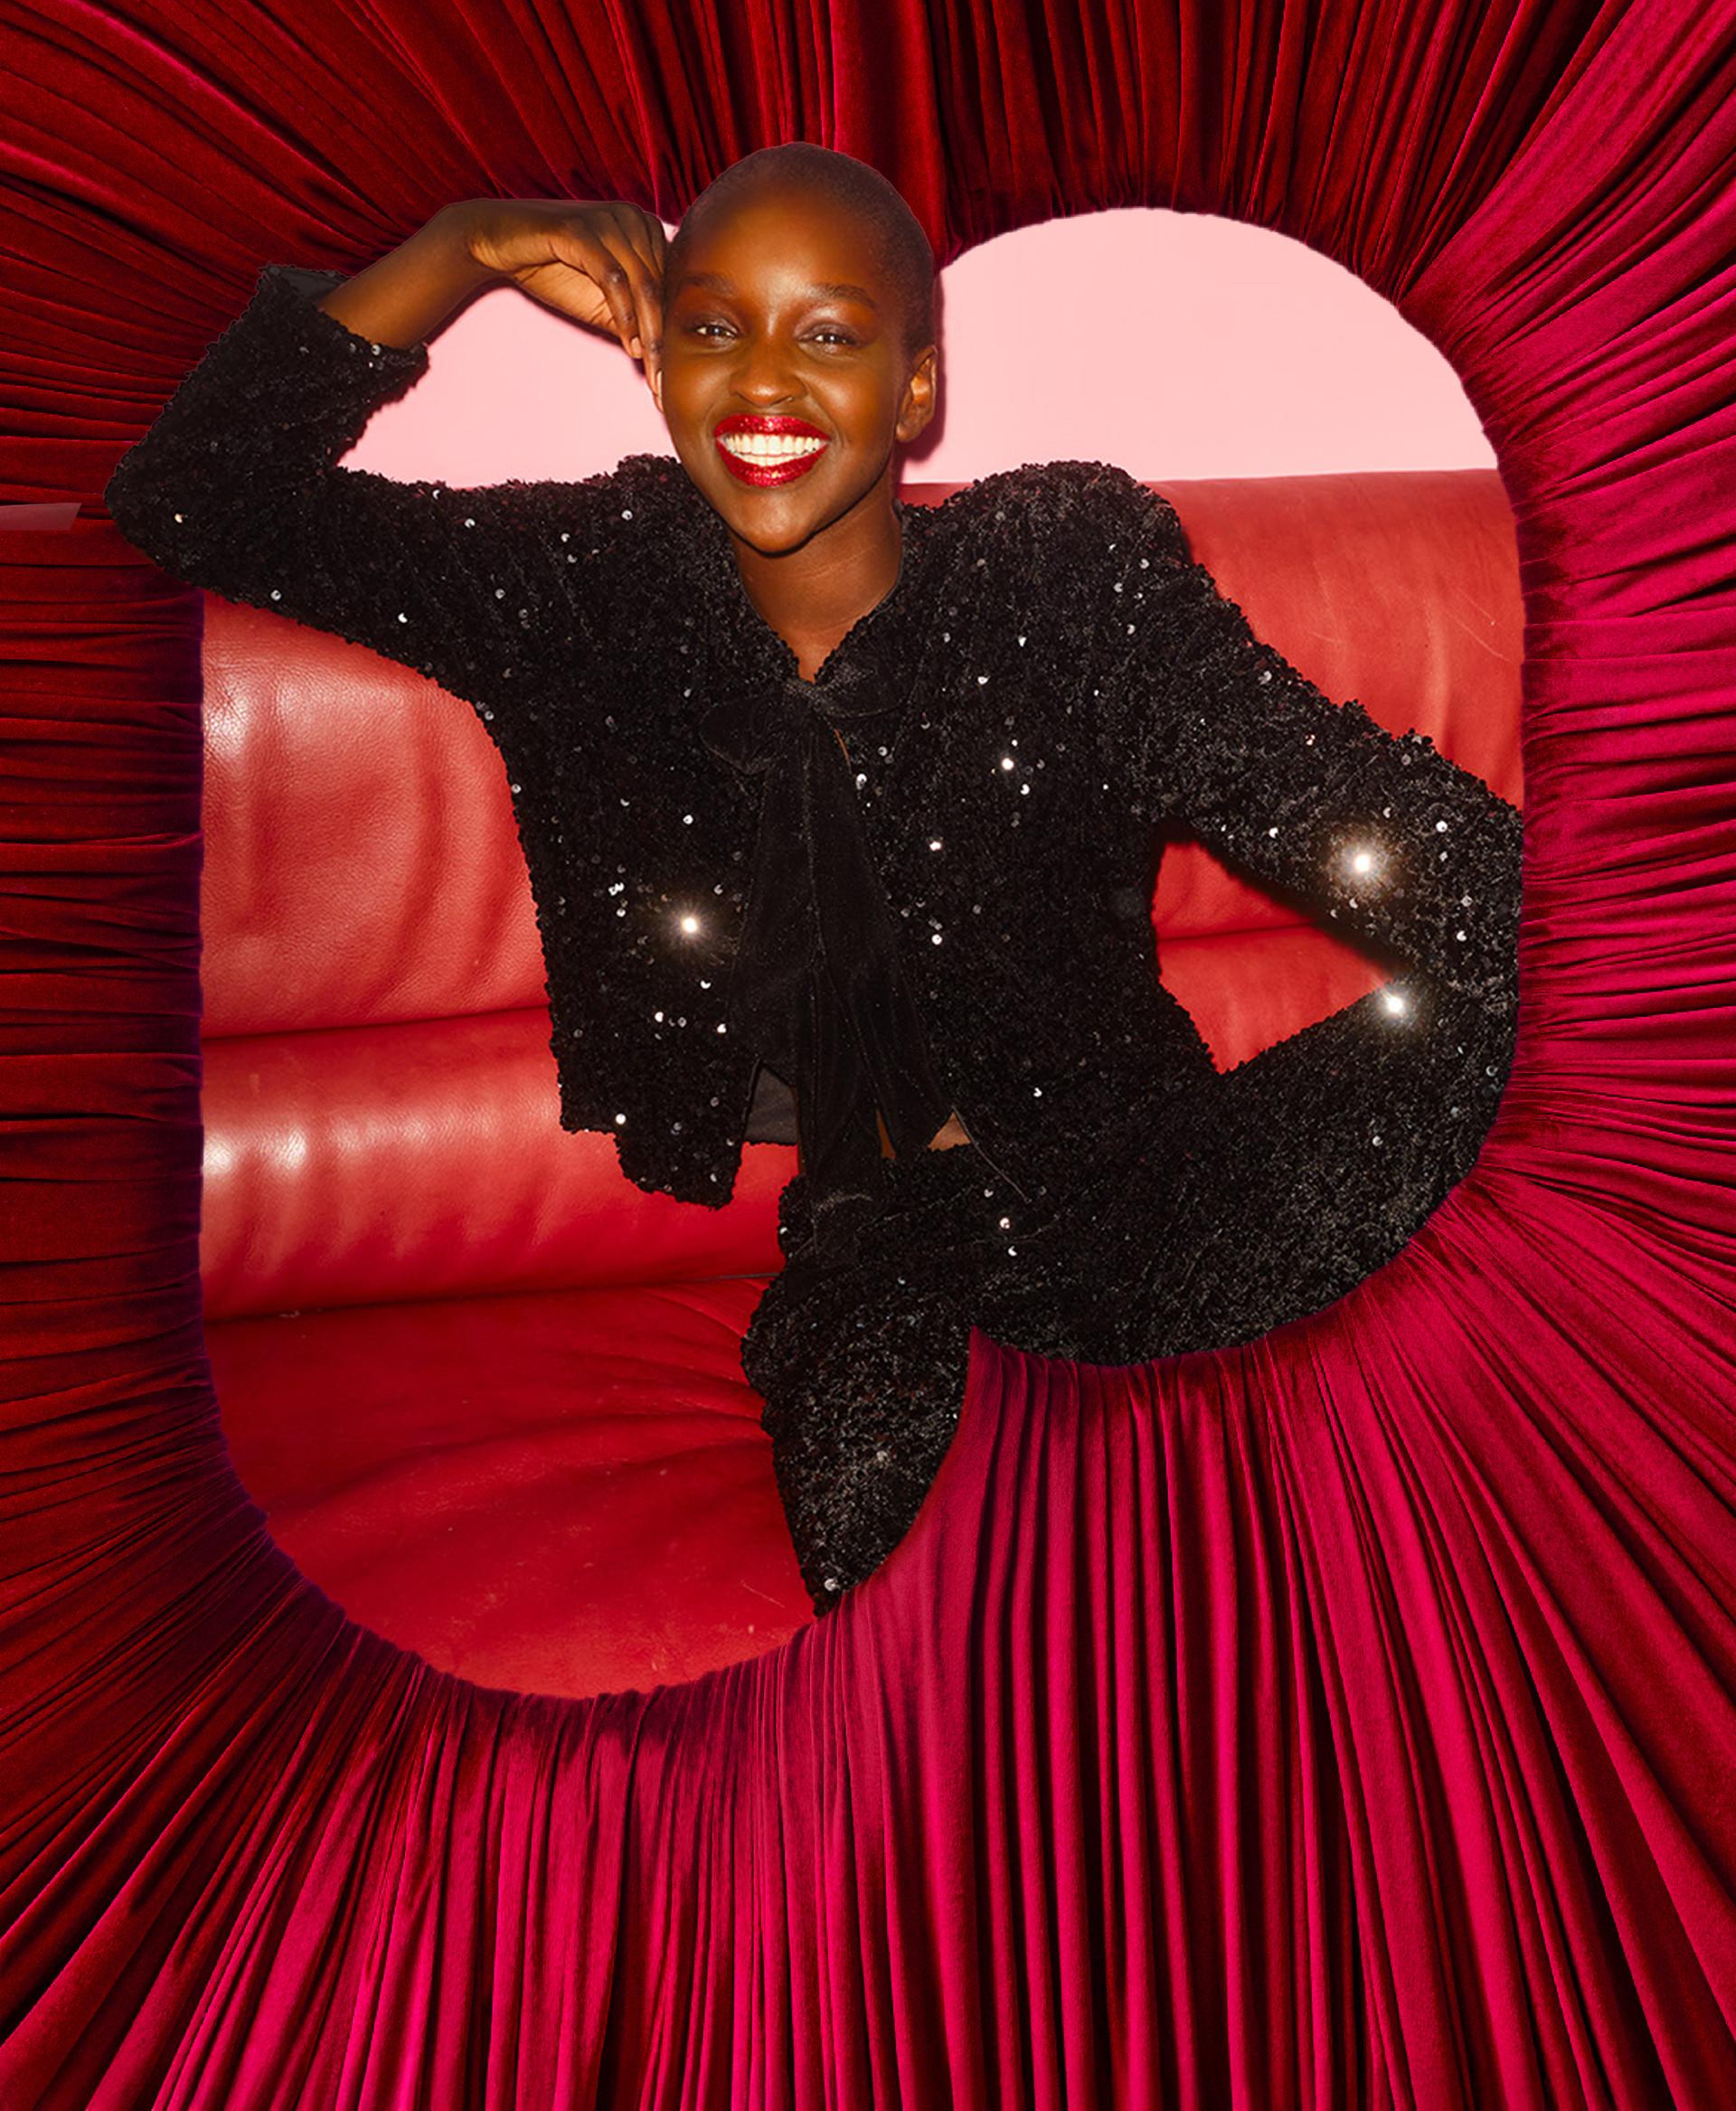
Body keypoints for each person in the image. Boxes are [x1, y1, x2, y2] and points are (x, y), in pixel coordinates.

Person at [103, 143, 1524, 1616]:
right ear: (656, 357)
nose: (763, 381)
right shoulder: (588, 586)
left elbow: (1357, 817)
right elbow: (196, 495)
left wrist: (1649, 915)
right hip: (890, 1262)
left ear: (914, 391)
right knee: (910, 1580)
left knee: (1534, 1005)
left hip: (1172, 1189)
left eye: (829, 334)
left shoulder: (1068, 574)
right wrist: (461, 247)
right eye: (714, 325)